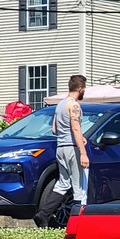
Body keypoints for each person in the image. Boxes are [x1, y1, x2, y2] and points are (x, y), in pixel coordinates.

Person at [34, 75, 89, 227]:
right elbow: (75, 128)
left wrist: (79, 136)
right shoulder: (74, 105)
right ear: (80, 88)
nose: (84, 91)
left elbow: (54, 129)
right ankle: (78, 222)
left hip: (61, 147)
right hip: (72, 148)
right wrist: (83, 152)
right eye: (84, 89)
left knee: (63, 184)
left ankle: (43, 214)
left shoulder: (60, 105)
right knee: (78, 186)